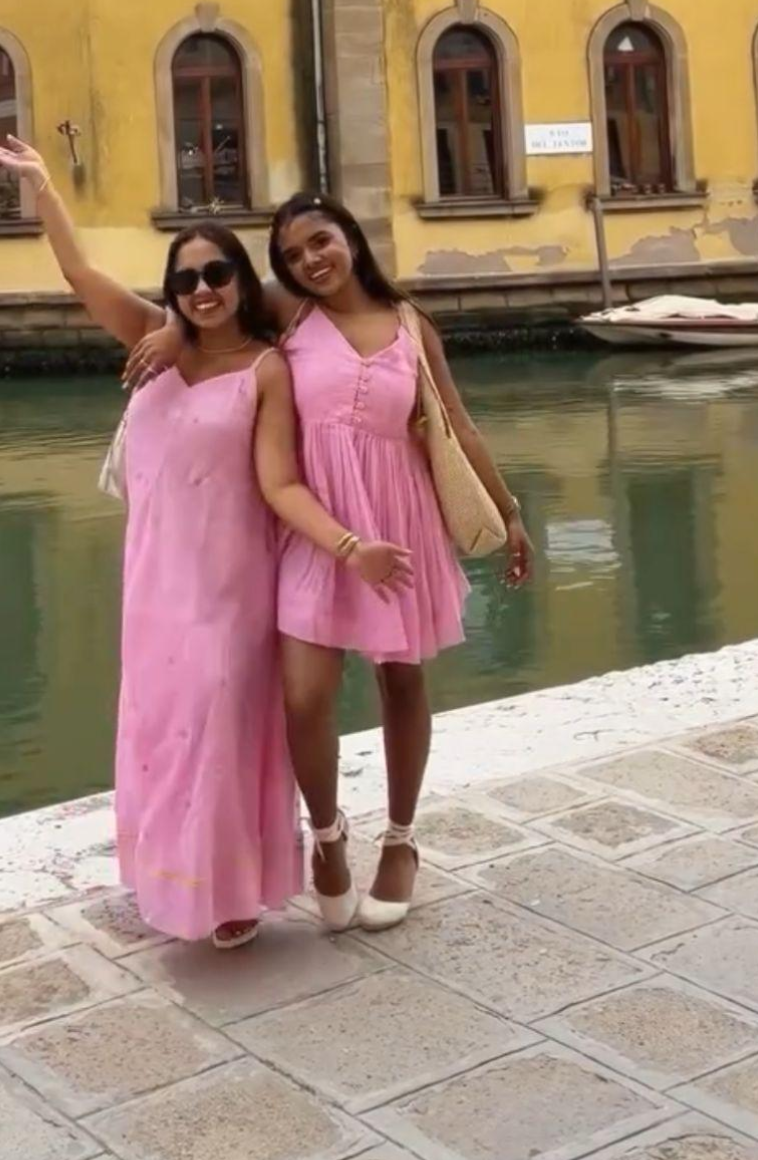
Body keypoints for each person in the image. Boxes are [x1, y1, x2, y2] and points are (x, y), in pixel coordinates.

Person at [0, 139, 411, 950]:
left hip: (231, 581)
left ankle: (233, 890)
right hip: (153, 580)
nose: (203, 289)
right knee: (161, 731)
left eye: (217, 275)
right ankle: (168, 880)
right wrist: (44, 191)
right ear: (170, 292)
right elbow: (79, 277)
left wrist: (352, 548)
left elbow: (282, 486)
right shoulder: (148, 338)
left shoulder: (266, 369)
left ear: (243, 281)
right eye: (186, 279)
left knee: (218, 728)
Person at [125, 190, 533, 935]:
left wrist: (508, 511)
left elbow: (457, 424)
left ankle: (401, 842)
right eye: (291, 254)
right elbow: (217, 311)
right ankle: (326, 832)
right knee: (304, 695)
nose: (309, 260)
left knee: (399, 681)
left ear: (349, 237)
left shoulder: (411, 325)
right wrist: (172, 336)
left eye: (320, 241)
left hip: (397, 519)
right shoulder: (289, 311)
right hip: (315, 526)